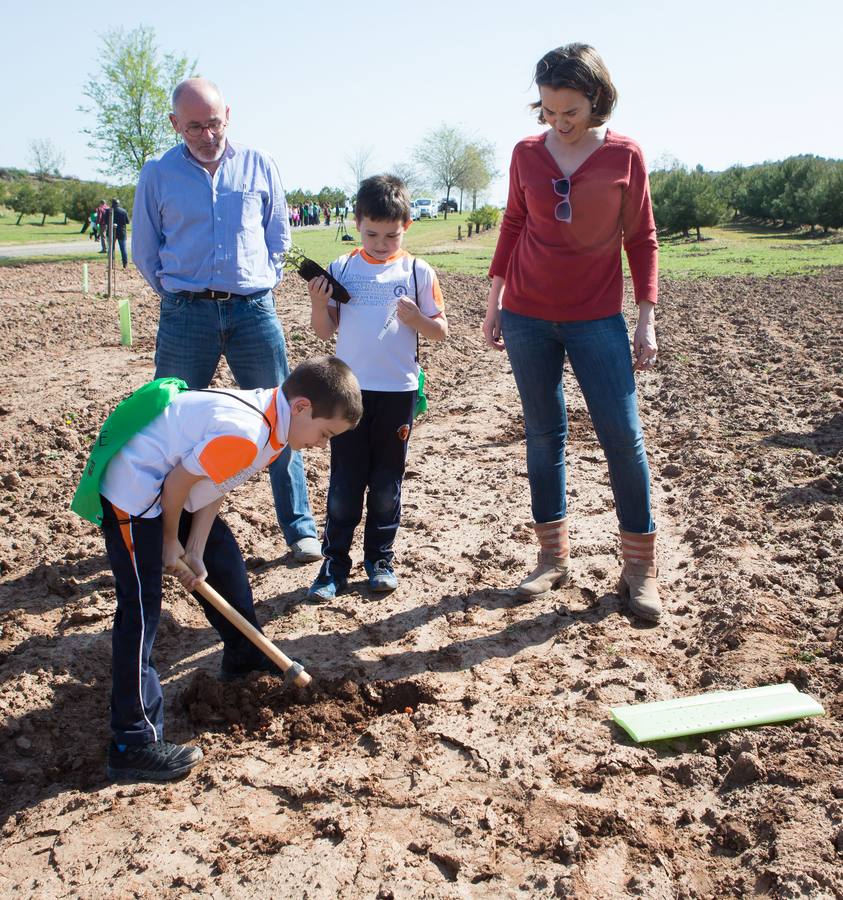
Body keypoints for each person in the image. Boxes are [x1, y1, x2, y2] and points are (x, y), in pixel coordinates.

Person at [72, 356, 363, 782]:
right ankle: (131, 743)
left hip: (172, 482)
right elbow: (176, 485)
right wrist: (169, 543)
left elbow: (214, 484)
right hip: (135, 492)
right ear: (301, 406)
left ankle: (245, 656)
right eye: (325, 433)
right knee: (140, 610)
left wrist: (196, 548)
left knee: (222, 559)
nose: (322, 444)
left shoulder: (275, 430)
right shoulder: (247, 432)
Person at [481, 43, 662, 622]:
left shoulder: (624, 157)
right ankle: (551, 559)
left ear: (596, 100)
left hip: (597, 319)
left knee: (622, 438)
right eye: (549, 111)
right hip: (527, 315)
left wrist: (646, 317)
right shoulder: (526, 154)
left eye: (570, 113)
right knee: (543, 433)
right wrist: (494, 301)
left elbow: (642, 239)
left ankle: (639, 569)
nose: (559, 122)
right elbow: (512, 223)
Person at [131, 77, 323, 563]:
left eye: (213, 123)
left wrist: (258, 283)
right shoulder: (157, 174)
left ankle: (299, 528)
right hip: (185, 315)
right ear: (176, 125)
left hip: (253, 311)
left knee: (284, 415)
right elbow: (145, 250)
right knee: (166, 420)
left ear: (228, 116)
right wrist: (179, 294)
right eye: (194, 126)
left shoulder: (260, 165)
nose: (207, 134)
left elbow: (279, 238)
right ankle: (153, 526)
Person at [306, 175, 448, 600]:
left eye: (392, 234)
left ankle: (380, 558)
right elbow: (323, 332)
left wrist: (417, 320)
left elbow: (440, 330)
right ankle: (334, 563)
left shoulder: (418, 272)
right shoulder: (341, 268)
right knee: (345, 482)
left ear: (407, 226)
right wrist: (318, 302)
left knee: (387, 483)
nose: (381, 242)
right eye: (371, 233)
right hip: (348, 393)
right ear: (357, 222)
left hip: (398, 393)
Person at [103, 198, 129, 268]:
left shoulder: (108, 211)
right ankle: (125, 264)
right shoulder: (123, 211)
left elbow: (105, 221)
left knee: (111, 249)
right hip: (121, 232)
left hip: (111, 231)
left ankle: (111, 264)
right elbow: (127, 221)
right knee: (123, 249)